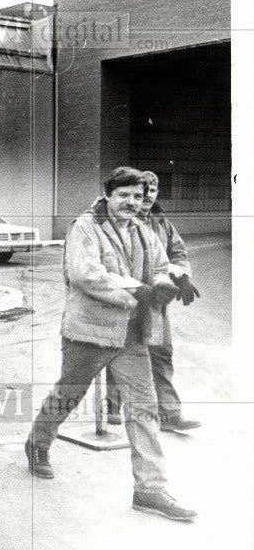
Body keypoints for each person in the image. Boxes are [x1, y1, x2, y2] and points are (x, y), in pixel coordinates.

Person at [25, 167, 197, 522]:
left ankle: (149, 490)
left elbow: (162, 263)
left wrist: (166, 281)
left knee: (144, 409)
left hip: (132, 335)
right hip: (89, 332)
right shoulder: (84, 227)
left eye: (137, 196)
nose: (132, 203)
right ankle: (38, 443)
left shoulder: (143, 229)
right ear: (108, 195)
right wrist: (139, 289)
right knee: (68, 395)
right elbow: (86, 273)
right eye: (124, 196)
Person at [106, 170, 201, 432]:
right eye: (144, 189)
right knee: (119, 352)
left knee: (161, 353)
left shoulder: (161, 221)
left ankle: (170, 414)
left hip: (156, 300)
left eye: (154, 189)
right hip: (126, 298)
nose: (149, 195)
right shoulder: (121, 219)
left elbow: (177, 252)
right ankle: (113, 404)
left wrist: (180, 275)